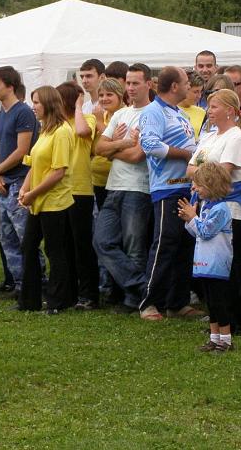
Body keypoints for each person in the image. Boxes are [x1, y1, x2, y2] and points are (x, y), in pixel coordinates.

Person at [137, 66, 200, 321]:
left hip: (186, 187)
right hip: (167, 187)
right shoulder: (153, 111)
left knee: (185, 245)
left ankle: (177, 302)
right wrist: (186, 155)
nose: (189, 86)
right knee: (165, 243)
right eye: (185, 82)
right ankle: (149, 303)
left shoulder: (180, 113)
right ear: (174, 86)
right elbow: (149, 144)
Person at [188, 89, 241, 334]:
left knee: (230, 261)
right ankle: (218, 313)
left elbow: (221, 174)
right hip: (209, 204)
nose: (209, 111)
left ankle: (234, 317)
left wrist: (202, 174)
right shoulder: (209, 137)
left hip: (231, 207)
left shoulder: (236, 137)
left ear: (230, 111)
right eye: (209, 106)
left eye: (214, 106)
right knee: (213, 261)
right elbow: (189, 168)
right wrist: (204, 174)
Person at [93, 63, 153, 313]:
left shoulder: (152, 114)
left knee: (134, 246)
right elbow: (99, 148)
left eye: (135, 83)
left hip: (138, 187)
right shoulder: (121, 115)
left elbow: (138, 156)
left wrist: (113, 148)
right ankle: (142, 288)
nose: (130, 88)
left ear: (148, 84)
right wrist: (125, 143)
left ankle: (132, 300)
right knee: (102, 241)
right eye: (128, 83)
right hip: (114, 186)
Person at [17, 86, 77, 314]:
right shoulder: (45, 130)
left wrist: (33, 194)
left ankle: (58, 301)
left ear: (49, 104)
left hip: (55, 202)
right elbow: (35, 165)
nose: (33, 106)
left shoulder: (62, 132)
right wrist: (25, 189)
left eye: (37, 102)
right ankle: (29, 300)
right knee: (28, 246)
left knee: (55, 250)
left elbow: (58, 171)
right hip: (38, 201)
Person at [0, 66, 38, 294]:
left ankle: (36, 282)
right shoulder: (0, 115)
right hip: (3, 183)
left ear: (10, 86)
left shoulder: (23, 112)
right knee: (7, 238)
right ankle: (20, 283)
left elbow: (22, 150)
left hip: (19, 181)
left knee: (24, 236)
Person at [179, 162, 235, 351]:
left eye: (198, 184)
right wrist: (189, 219)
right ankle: (214, 337)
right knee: (210, 302)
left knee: (219, 301)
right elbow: (197, 232)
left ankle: (226, 340)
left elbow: (206, 231)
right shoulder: (206, 206)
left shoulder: (221, 209)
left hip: (216, 262)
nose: (194, 188)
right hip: (204, 261)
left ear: (212, 185)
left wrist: (193, 217)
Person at [57, 81, 99, 310]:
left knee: (81, 244)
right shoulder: (58, 124)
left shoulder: (86, 119)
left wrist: (79, 105)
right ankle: (70, 292)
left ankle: (89, 294)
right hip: (60, 190)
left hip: (80, 190)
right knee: (64, 244)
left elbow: (83, 132)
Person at [91, 78, 125, 210]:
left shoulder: (125, 115)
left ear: (120, 96)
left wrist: (99, 123)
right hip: (98, 181)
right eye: (101, 95)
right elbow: (96, 149)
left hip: (118, 181)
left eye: (109, 94)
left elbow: (117, 144)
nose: (104, 98)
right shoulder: (102, 115)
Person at [179, 71, 206, 140]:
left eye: (201, 92)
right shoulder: (167, 111)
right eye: (195, 92)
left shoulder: (202, 112)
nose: (199, 96)